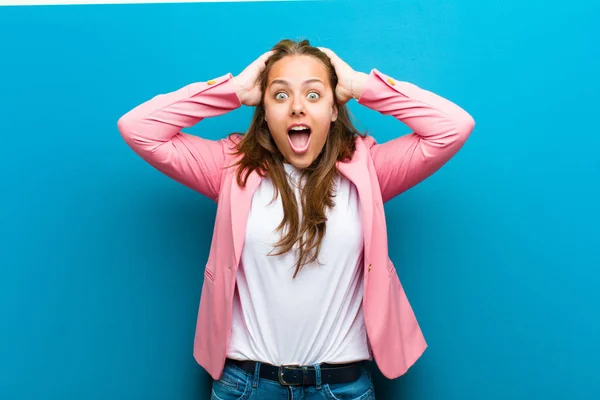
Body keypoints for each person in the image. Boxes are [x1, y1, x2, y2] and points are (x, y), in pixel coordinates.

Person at [117, 39, 475, 400]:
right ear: (265, 111)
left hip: (342, 388)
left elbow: (453, 126)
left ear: (335, 109)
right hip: (246, 387)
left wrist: (361, 87)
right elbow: (138, 128)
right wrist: (234, 90)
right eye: (281, 95)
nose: (297, 108)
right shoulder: (230, 168)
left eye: (314, 95)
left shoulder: (370, 169)